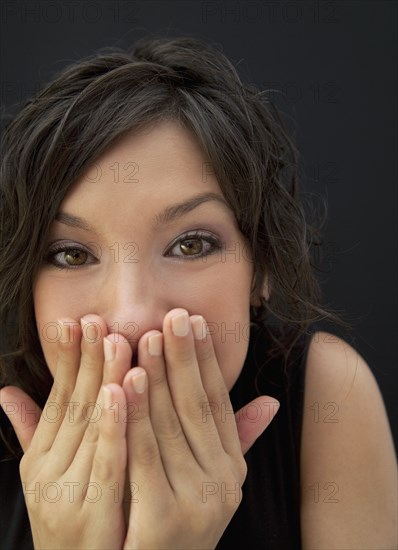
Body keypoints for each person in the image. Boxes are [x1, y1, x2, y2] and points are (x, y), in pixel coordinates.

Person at [0, 36, 396, 550]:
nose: (130, 317)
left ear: (261, 268)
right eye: (72, 254)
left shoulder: (327, 394)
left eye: (191, 244)